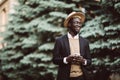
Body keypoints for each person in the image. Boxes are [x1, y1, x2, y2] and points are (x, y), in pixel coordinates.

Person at [53, 12, 91, 80]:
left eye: (79, 23)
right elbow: (55, 60)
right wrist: (66, 59)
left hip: (81, 77)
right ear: (69, 24)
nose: (78, 25)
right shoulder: (60, 41)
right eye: (76, 22)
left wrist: (83, 61)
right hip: (65, 77)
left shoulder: (85, 42)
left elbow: (89, 61)